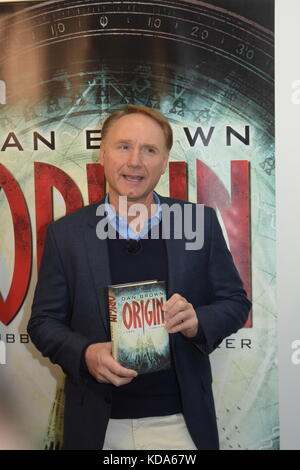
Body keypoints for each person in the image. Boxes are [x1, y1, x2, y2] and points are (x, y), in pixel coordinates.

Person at [28, 105, 251, 450]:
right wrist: (85, 353)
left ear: (164, 163)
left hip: (180, 426)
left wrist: (197, 322)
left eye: (150, 150)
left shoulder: (198, 223)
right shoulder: (66, 234)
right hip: (98, 429)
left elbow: (235, 303)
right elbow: (43, 323)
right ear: (102, 154)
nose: (135, 161)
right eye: (123, 146)